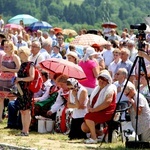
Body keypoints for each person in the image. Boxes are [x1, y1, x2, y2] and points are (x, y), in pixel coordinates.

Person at [81, 70, 117, 144]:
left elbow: (107, 102)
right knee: (84, 127)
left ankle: (94, 138)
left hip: (107, 111)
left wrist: (94, 110)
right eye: (100, 80)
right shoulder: (97, 88)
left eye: (103, 80)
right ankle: (101, 133)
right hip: (96, 111)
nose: (101, 82)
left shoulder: (110, 89)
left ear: (108, 81)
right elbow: (89, 100)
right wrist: (89, 106)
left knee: (88, 118)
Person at [15, 46, 35, 136]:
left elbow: (31, 77)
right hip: (21, 89)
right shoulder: (22, 64)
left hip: (27, 90)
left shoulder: (31, 64)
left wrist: (20, 79)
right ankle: (23, 130)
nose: (20, 54)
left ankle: (26, 130)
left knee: (26, 110)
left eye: (21, 53)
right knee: (22, 110)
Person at [0, 40, 21, 122]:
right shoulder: (3, 56)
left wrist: (7, 69)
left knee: (11, 98)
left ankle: (11, 118)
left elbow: (19, 69)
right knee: (1, 98)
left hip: (11, 80)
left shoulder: (15, 57)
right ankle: (0, 118)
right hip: (2, 79)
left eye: (7, 46)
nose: (5, 48)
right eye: (4, 46)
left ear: (11, 47)